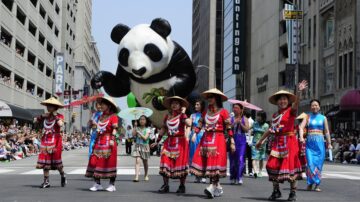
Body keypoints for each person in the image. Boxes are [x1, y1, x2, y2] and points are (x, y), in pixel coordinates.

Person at [256, 80, 308, 201]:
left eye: (284, 99)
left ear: (288, 101)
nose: (282, 101)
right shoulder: (275, 116)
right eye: (280, 99)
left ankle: (292, 193)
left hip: (290, 142)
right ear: (277, 102)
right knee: (271, 165)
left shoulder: (291, 111)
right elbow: (271, 129)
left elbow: (296, 103)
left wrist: (299, 91)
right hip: (278, 142)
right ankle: (276, 191)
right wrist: (261, 141)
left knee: (291, 168)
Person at [189, 88, 234, 198]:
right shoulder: (205, 112)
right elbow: (200, 124)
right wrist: (195, 133)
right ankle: (216, 187)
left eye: (212, 97)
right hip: (206, 139)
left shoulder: (223, 112)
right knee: (208, 163)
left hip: (218, 139)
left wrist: (232, 140)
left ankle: (212, 186)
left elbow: (228, 127)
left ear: (217, 98)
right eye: (208, 97)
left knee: (215, 163)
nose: (209, 99)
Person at [151, 96, 190, 194]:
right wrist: (157, 141)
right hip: (169, 142)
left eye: (177, 103)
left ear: (180, 105)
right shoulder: (167, 116)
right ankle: (165, 185)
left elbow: (189, 124)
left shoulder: (182, 116)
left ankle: (182, 186)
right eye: (173, 103)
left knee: (180, 164)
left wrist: (183, 114)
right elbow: (163, 129)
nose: (174, 105)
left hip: (180, 142)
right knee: (165, 160)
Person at [85, 97, 119, 192]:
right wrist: (93, 123)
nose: (101, 106)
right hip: (99, 141)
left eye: (103, 104)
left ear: (109, 106)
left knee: (109, 162)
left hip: (109, 142)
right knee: (94, 161)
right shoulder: (100, 117)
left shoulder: (113, 116)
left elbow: (115, 129)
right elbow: (97, 128)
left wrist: (112, 138)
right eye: (101, 104)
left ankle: (112, 185)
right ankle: (97, 183)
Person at [299, 99, 332, 192]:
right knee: (310, 163)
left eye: (316, 105)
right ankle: (310, 183)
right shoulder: (307, 117)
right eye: (313, 105)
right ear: (310, 107)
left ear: (319, 107)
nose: (314, 107)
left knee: (318, 164)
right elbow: (301, 127)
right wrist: (301, 137)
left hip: (320, 143)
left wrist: (329, 143)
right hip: (310, 144)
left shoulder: (323, 118)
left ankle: (317, 184)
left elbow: (326, 131)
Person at [34, 97, 66, 188]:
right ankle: (46, 181)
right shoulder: (45, 115)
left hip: (56, 140)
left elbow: (60, 124)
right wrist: (40, 117)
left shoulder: (60, 116)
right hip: (45, 139)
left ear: (55, 107)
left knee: (56, 161)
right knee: (45, 160)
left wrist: (55, 116)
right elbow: (35, 122)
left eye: (50, 106)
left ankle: (63, 174)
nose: (48, 107)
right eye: (48, 106)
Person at [229, 103, 249, 185]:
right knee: (232, 160)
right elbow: (228, 128)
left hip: (241, 141)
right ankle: (233, 177)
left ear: (241, 110)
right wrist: (234, 123)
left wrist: (240, 123)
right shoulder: (231, 119)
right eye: (234, 108)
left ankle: (239, 177)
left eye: (237, 108)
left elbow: (247, 129)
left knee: (240, 159)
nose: (235, 109)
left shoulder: (244, 118)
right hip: (233, 139)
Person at [188, 99, 206, 183]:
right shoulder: (192, 115)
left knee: (201, 155)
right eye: (195, 104)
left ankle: (203, 175)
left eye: (198, 105)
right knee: (193, 154)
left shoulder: (204, 115)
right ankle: (196, 175)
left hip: (202, 135)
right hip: (193, 136)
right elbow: (189, 126)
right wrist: (187, 136)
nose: (196, 106)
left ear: (202, 106)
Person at [132, 115, 151, 182]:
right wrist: (135, 126)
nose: (142, 121)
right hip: (138, 146)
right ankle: (136, 176)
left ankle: (146, 175)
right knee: (137, 160)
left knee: (145, 162)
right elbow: (133, 134)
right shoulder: (137, 128)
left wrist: (139, 133)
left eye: (143, 119)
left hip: (145, 146)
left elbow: (145, 138)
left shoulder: (148, 129)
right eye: (140, 119)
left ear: (146, 121)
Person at [251, 111, 269, 178]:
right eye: (257, 115)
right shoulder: (254, 123)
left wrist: (262, 142)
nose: (257, 117)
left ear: (263, 117)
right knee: (254, 157)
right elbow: (249, 129)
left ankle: (260, 171)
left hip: (262, 143)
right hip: (254, 143)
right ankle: (255, 171)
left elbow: (267, 135)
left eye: (259, 116)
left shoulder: (266, 125)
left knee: (261, 158)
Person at [244, 110, 254, 176]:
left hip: (248, 139)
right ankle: (249, 170)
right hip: (248, 139)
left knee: (245, 156)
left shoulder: (251, 121)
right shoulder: (252, 121)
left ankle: (245, 170)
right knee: (249, 156)